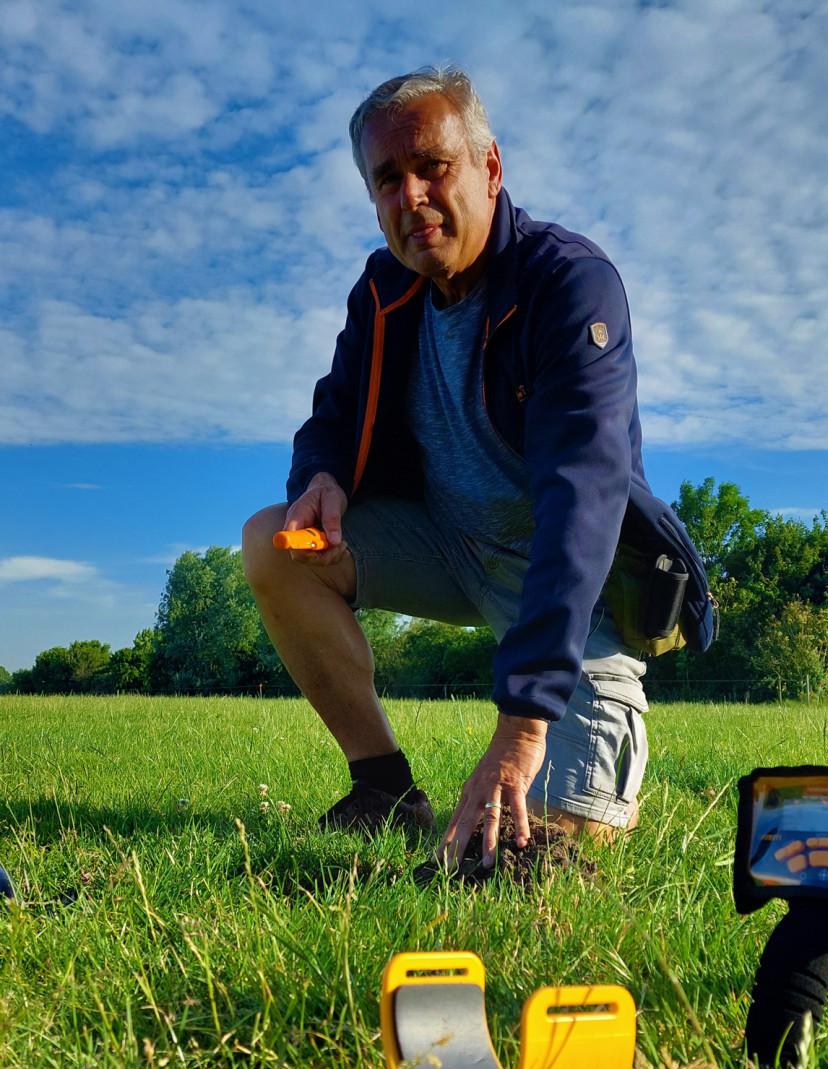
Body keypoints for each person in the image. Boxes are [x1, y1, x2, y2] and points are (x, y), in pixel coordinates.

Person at [243, 66, 709, 871]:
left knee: (560, 841)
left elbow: (584, 497)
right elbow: (334, 410)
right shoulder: (383, 290)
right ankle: (384, 788)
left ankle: (578, 754)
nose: (412, 196)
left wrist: (523, 726)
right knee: (271, 545)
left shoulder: (569, 283)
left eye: (433, 167)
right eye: (388, 179)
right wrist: (322, 479)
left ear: (490, 169)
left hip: (566, 579)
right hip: (446, 544)